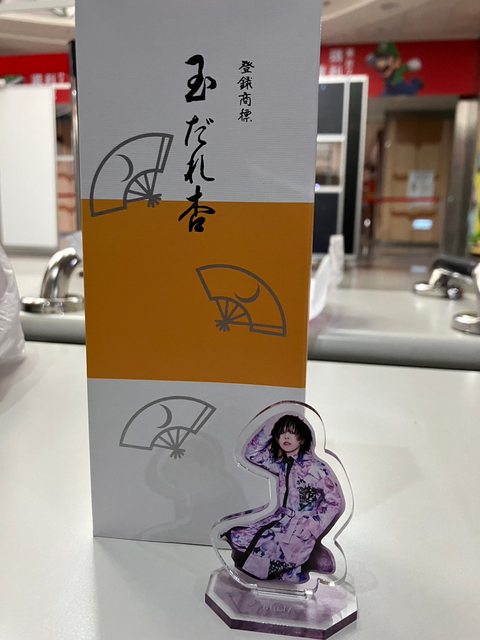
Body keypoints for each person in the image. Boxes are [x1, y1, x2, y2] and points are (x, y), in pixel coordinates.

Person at [223, 414, 344, 582]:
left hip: (301, 530)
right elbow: (252, 455)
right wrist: (269, 428)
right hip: (280, 520)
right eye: (281, 433)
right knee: (245, 540)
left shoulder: (317, 468)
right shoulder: (280, 463)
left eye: (292, 433)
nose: (286, 437)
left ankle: (301, 565)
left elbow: (334, 501)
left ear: (302, 439)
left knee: (275, 551)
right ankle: (290, 569)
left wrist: (312, 527)